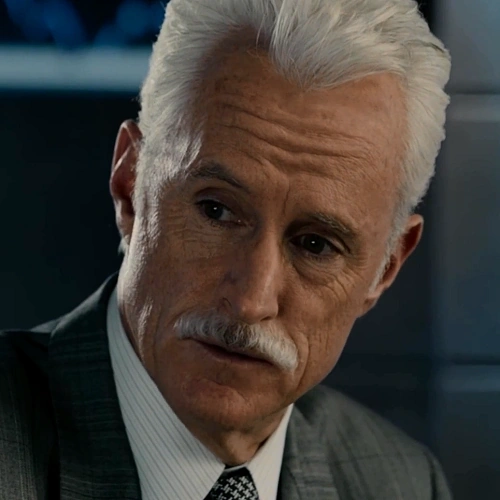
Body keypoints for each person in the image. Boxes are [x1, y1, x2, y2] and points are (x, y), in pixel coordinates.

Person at [0, 0, 453, 498]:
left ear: (386, 268)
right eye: (216, 212)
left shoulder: (405, 482)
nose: (250, 301)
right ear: (131, 184)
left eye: (315, 245)